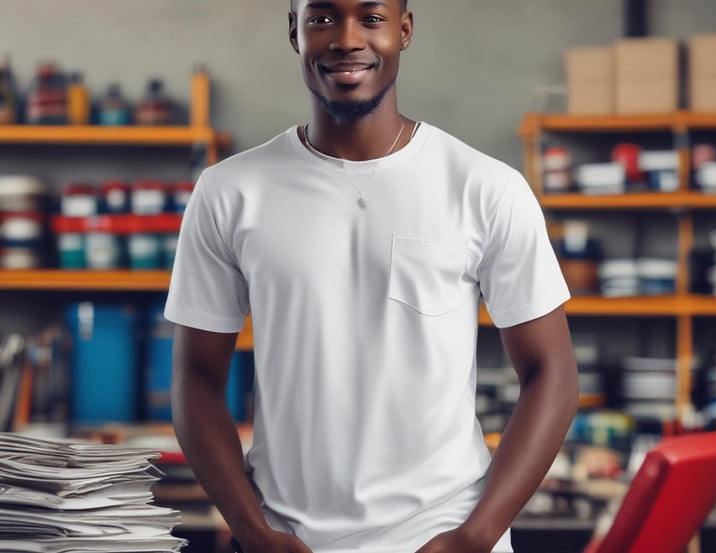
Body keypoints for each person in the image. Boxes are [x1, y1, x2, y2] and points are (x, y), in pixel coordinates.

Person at [164, 1, 579, 552]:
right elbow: (195, 378)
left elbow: (553, 373)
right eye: (321, 19)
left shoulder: (486, 189)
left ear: (403, 30)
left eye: (371, 17)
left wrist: (475, 536)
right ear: (294, 32)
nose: (346, 39)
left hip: (444, 537)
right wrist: (252, 530)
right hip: (289, 540)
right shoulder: (229, 192)